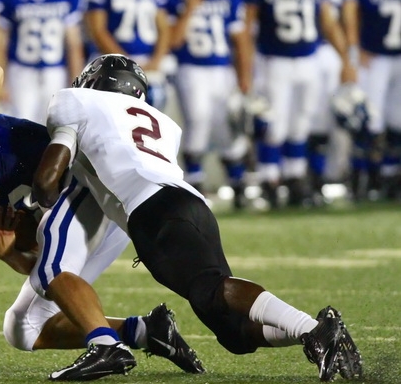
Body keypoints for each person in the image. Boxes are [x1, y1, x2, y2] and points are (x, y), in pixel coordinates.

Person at [33, 53, 362, 382]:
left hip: (151, 209)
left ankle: (314, 330)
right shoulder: (161, 122)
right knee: (233, 332)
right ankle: (316, 331)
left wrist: (40, 202)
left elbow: (47, 181)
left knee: (210, 288)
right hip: (192, 203)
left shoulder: (75, 101)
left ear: (93, 80)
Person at [0, 62, 204, 380]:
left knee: (52, 275)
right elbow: (42, 263)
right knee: (22, 328)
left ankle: (107, 347)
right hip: (83, 219)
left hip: (89, 184)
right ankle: (148, 332)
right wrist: (9, 253)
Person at [241, 0, 355, 207]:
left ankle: (294, 178)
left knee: (302, 122)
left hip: (309, 59)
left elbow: (328, 22)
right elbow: (248, 29)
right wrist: (247, 70)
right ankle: (269, 180)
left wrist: (345, 58)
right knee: (274, 124)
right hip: (274, 60)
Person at [167, 0, 250, 206]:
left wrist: (244, 75)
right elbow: (174, 39)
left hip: (222, 69)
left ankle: (238, 184)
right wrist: (190, 8)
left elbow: (240, 40)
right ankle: (195, 182)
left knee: (228, 124)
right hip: (190, 67)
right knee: (198, 120)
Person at [299, 0, 362, 203]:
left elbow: (349, 11)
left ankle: (334, 176)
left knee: (338, 114)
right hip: (306, 47)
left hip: (335, 49)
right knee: (309, 113)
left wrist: (349, 52)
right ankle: (309, 177)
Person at [0, 0, 85, 123]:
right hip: (21, 71)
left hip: (55, 70)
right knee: (20, 123)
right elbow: (1, 43)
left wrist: (76, 81)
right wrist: (2, 81)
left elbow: (73, 43)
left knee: (53, 125)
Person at [354, 0, 401, 198]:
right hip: (375, 55)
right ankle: (366, 176)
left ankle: (390, 175)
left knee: (397, 120)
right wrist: (357, 45)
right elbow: (352, 11)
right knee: (371, 119)